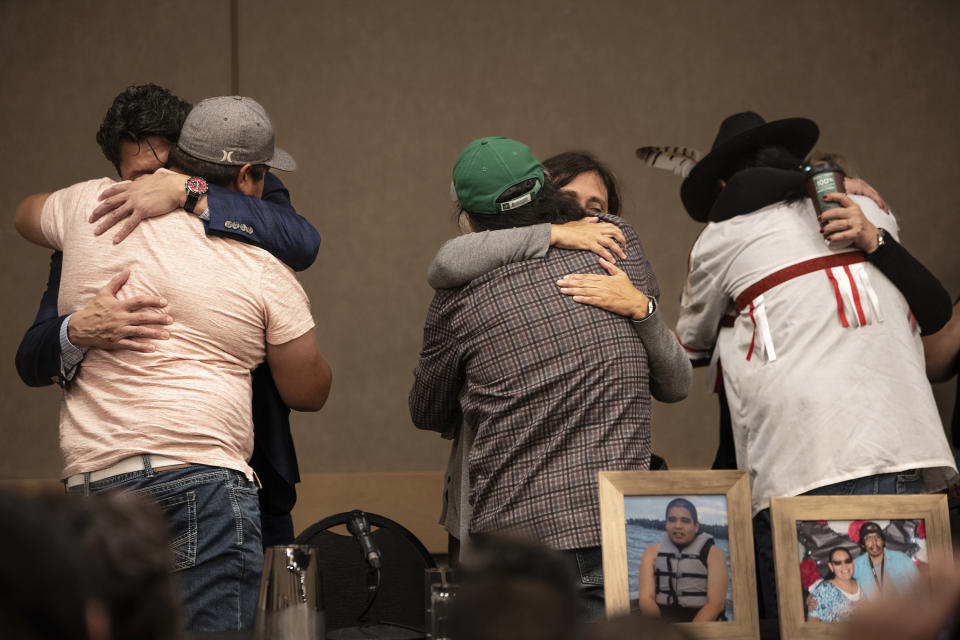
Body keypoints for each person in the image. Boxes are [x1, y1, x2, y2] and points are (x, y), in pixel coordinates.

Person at [14, 95, 333, 631]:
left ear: (184, 158)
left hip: (169, 470)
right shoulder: (99, 210)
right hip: (183, 479)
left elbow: (302, 239)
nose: (147, 185)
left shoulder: (90, 206)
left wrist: (191, 191)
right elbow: (308, 387)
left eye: (164, 170)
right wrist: (76, 329)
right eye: (137, 174)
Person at [410, 137, 669, 618]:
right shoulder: (615, 241)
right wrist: (553, 234)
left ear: (469, 219)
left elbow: (425, 410)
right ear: (547, 192)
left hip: (516, 543)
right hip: (614, 530)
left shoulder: (460, 294)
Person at [636, 498, 728, 622]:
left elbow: (715, 605)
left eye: (685, 521)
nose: (677, 526)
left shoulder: (714, 554)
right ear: (666, 524)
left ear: (696, 526)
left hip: (701, 624)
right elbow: (646, 598)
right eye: (672, 520)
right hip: (662, 623)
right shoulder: (650, 553)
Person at [852, 522, 920, 598]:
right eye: (868, 538)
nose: (874, 542)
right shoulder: (856, 566)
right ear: (863, 544)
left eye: (877, 537)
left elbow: (921, 587)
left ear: (883, 540)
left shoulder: (901, 558)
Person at [807, 547, 861, 622]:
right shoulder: (824, 590)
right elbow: (812, 625)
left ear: (853, 563)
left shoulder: (862, 585)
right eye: (837, 563)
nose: (844, 566)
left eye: (847, 561)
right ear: (831, 566)